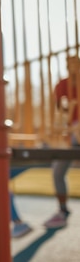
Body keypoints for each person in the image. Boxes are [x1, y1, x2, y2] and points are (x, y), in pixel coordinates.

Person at [43, 72, 78, 228]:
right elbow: (60, 106)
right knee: (58, 171)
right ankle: (63, 210)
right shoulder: (64, 83)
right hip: (74, 131)